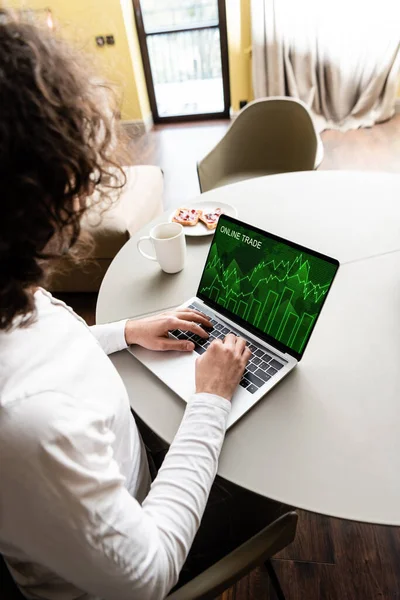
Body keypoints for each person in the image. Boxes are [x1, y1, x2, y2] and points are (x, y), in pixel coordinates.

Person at [0, 12, 288, 600]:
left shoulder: (11, 290)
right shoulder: (24, 426)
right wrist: (208, 401)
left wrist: (127, 330)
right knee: (277, 472)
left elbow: (45, 340)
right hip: (140, 529)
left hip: (115, 469)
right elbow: (149, 578)